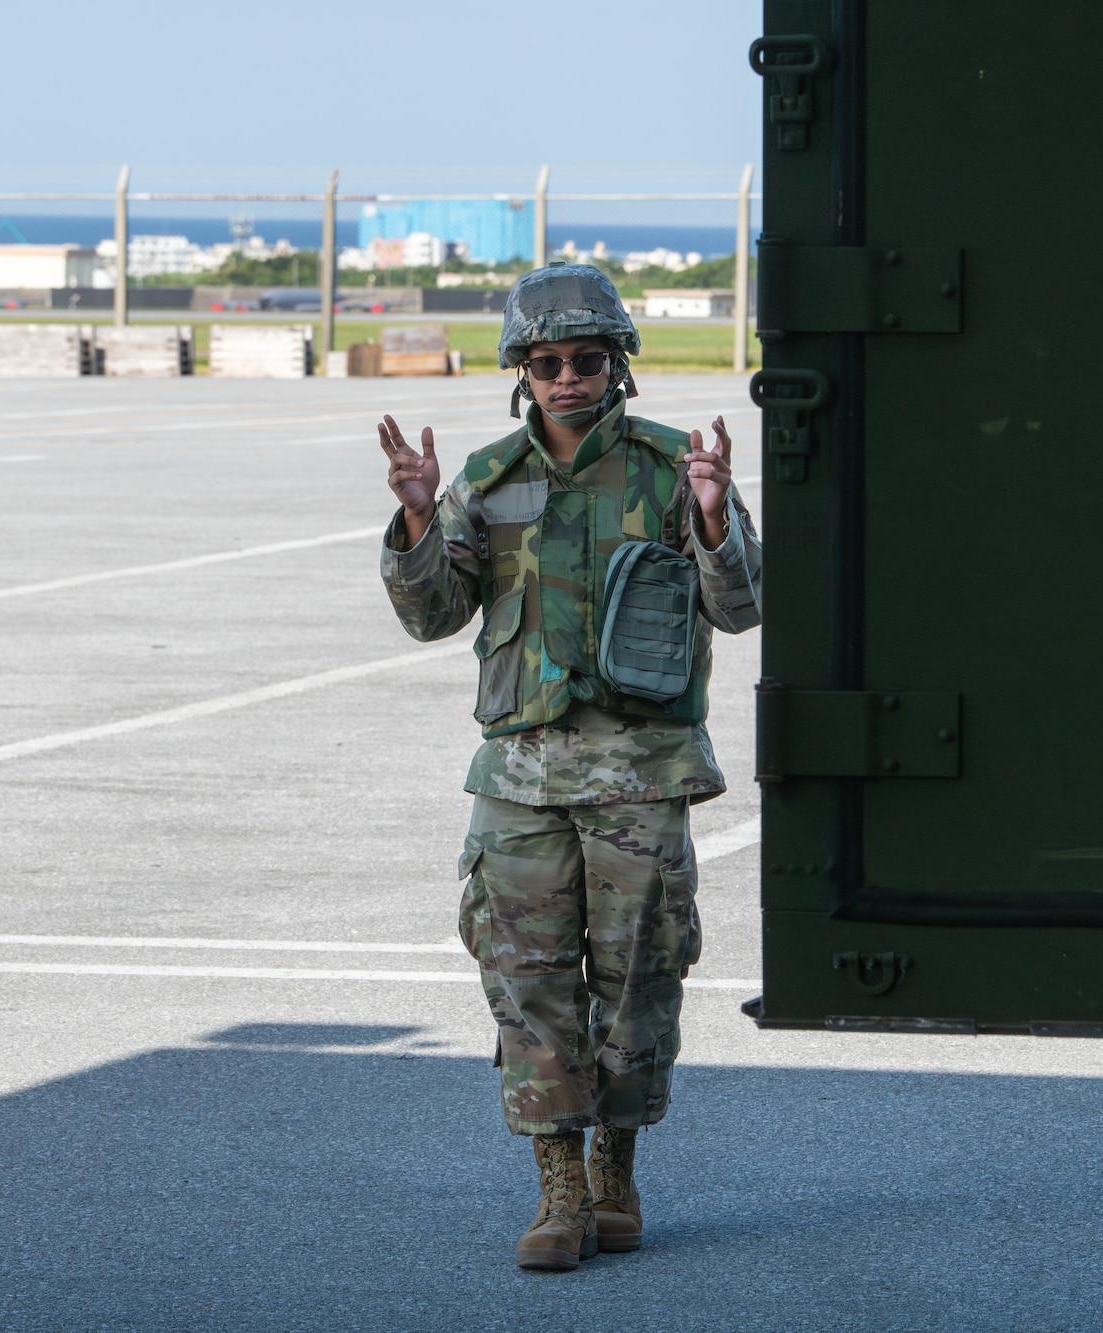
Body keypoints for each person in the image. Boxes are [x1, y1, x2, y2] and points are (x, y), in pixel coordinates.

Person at [375, 263, 761, 1271]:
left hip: (639, 770)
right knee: (527, 983)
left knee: (637, 982)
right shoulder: (489, 479)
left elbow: (739, 605)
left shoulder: (673, 467)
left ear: (616, 364)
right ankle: (555, 1190)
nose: (567, 377)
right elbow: (429, 614)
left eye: (587, 358)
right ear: (521, 372)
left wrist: (715, 514)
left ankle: (615, 1172)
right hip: (520, 779)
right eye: (545, 362)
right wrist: (419, 517)